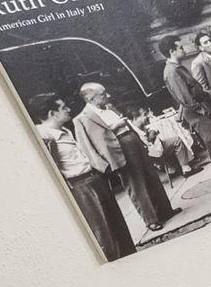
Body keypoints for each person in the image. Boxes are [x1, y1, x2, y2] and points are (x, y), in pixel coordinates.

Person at [35, 93, 135, 260]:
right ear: (52, 114)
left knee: (118, 227)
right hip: (81, 187)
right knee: (104, 233)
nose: (68, 109)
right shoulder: (44, 137)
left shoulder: (65, 130)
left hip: (94, 179)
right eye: (63, 107)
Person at [73, 83, 172, 232]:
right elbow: (86, 144)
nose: (108, 96)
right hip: (118, 150)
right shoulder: (82, 118)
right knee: (135, 184)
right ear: (90, 98)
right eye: (103, 94)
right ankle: (151, 220)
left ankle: (165, 211)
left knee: (151, 176)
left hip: (132, 141)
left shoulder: (109, 106)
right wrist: (101, 164)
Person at [162, 34, 211, 192]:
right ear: (172, 51)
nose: (183, 49)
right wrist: (204, 110)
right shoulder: (172, 72)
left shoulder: (177, 68)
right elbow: (185, 98)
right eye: (180, 47)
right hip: (199, 113)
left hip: (203, 109)